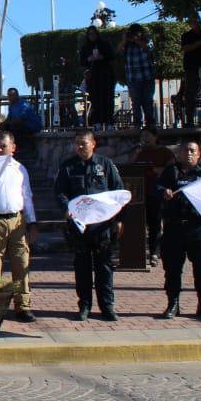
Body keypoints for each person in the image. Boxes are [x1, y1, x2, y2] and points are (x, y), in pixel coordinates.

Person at [54, 129, 124, 321]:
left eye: (83, 143)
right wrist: (66, 207)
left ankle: (107, 306)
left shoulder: (105, 164)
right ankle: (84, 306)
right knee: (82, 268)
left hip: (102, 226)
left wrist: (118, 219)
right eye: (77, 143)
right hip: (80, 226)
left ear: (93, 144)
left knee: (104, 268)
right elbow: (60, 192)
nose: (79, 147)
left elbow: (117, 191)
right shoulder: (68, 166)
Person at [0, 132, 39, 323]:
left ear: (13, 148)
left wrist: (32, 221)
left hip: (17, 220)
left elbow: (27, 196)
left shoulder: (20, 169)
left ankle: (23, 305)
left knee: (21, 262)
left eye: (3, 146)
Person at [157, 142, 201, 320]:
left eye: (192, 151)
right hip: (174, 228)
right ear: (179, 154)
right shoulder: (171, 172)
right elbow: (156, 188)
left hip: (198, 227)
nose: (188, 154)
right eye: (185, 150)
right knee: (172, 269)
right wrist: (164, 191)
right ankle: (173, 304)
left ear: (198, 154)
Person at [133, 126, 175, 267]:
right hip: (140, 194)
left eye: (147, 135)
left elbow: (172, 170)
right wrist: (135, 155)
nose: (144, 139)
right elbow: (131, 167)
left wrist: (156, 169)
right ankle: (137, 254)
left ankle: (154, 253)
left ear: (155, 137)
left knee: (155, 224)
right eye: (142, 136)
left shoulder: (165, 152)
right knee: (138, 224)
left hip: (157, 193)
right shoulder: (139, 152)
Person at [118, 24, 156, 128]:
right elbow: (119, 50)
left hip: (147, 77)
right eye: (133, 33)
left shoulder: (147, 40)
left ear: (141, 33)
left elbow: (149, 48)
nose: (135, 35)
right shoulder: (128, 45)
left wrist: (137, 40)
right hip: (133, 79)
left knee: (148, 102)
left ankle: (150, 125)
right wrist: (124, 40)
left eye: (137, 33)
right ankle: (137, 125)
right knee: (136, 103)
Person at [180, 15, 201, 127]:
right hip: (192, 68)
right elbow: (186, 48)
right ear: (191, 24)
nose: (197, 24)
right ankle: (190, 119)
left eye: (198, 21)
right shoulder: (186, 35)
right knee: (190, 94)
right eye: (194, 22)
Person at [79, 27, 115, 129]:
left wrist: (102, 57)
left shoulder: (104, 44)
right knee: (95, 100)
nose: (92, 36)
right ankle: (97, 122)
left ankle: (109, 122)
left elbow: (112, 56)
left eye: (94, 33)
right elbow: (82, 62)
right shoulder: (85, 47)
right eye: (90, 34)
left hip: (106, 75)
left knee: (107, 99)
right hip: (93, 77)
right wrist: (89, 59)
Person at [0, 87, 42, 153]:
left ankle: (21, 148)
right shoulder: (11, 105)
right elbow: (9, 118)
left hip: (31, 126)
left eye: (11, 95)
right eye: (8, 95)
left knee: (16, 126)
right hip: (19, 124)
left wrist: (10, 122)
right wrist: (3, 124)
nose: (9, 97)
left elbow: (20, 119)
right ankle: (6, 146)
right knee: (4, 126)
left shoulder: (24, 104)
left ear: (17, 95)